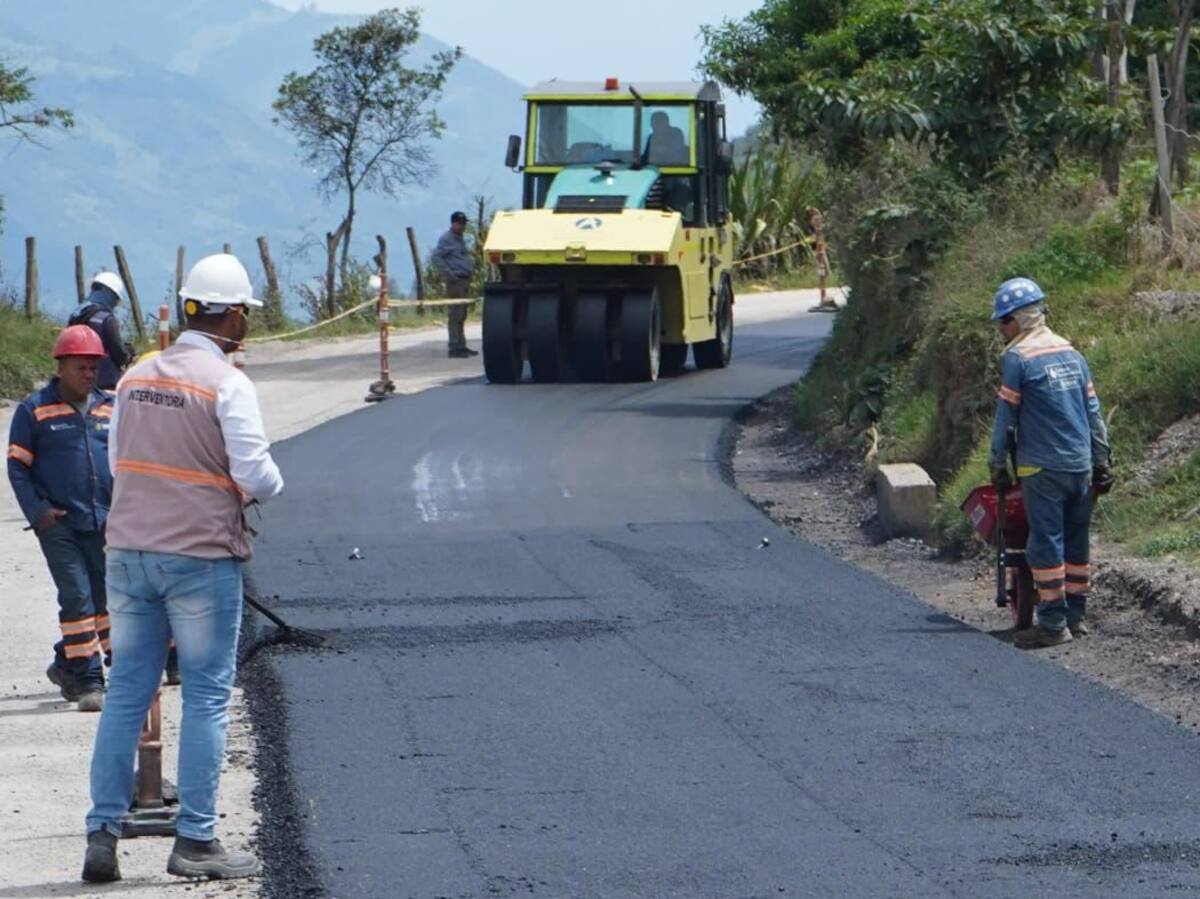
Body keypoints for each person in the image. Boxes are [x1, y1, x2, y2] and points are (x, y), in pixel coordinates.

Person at [82, 253, 284, 883]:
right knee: (205, 698)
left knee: (125, 695)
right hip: (198, 559)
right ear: (234, 317)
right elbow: (257, 476)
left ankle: (102, 833)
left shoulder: (137, 376)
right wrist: (252, 487)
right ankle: (195, 841)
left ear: (190, 306)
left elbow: (118, 462)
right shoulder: (227, 382)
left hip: (128, 555)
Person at [989, 277, 1113, 649]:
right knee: (1077, 543)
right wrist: (1102, 460)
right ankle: (1076, 616)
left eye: (1004, 321)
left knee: (1045, 545)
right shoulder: (1072, 354)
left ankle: (1053, 624)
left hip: (1041, 469)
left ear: (1021, 319)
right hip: (1080, 466)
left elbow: (1004, 418)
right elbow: (1093, 412)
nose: (1001, 329)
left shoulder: (1018, 358)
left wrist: (997, 464)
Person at [7, 326, 113, 712]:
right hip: (59, 525)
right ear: (62, 366)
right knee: (77, 597)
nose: (89, 374)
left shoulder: (109, 407)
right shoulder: (34, 410)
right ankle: (89, 681)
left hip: (103, 521)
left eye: (94, 368)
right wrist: (39, 512)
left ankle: (65, 665)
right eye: (82, 367)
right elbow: (17, 468)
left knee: (105, 599)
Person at [69, 272, 132, 390]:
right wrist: (128, 355)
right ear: (111, 295)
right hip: (104, 385)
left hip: (76, 383)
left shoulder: (76, 314)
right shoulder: (106, 319)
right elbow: (119, 355)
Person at [431, 210, 478, 358]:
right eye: (460, 223)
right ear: (453, 223)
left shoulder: (460, 238)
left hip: (464, 279)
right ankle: (454, 346)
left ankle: (461, 345)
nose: (462, 226)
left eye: (463, 223)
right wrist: (449, 274)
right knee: (455, 314)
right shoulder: (447, 239)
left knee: (462, 314)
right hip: (455, 280)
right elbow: (437, 257)